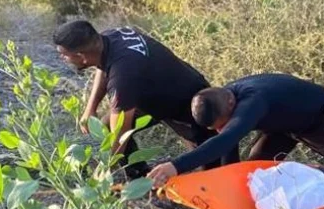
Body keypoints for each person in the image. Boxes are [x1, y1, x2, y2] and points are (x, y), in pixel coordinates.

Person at [54, 21, 223, 178]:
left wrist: (107, 167)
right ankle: (140, 177)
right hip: (152, 94)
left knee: (210, 168)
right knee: (105, 126)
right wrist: (90, 108)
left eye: (64, 55)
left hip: (189, 103)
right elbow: (103, 67)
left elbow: (121, 132)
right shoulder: (108, 38)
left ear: (81, 55)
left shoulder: (123, 75)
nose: (63, 59)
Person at [146, 73, 324, 185]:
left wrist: (175, 166)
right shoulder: (224, 98)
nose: (221, 130)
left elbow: (225, 141)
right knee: (254, 170)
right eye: (216, 128)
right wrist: (227, 181)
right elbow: (228, 141)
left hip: (318, 117)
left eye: (222, 124)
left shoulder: (251, 102)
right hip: (281, 125)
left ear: (232, 105)